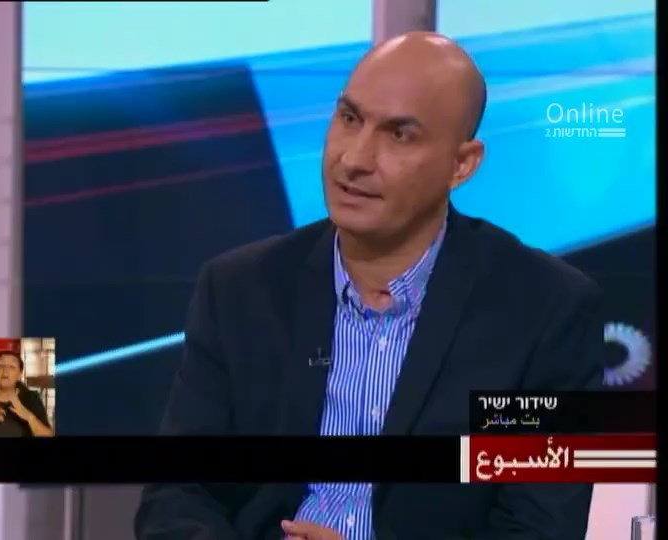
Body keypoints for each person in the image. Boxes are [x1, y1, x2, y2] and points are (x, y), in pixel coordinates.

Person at [135, 32, 604, 540]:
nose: (354, 159)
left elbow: (539, 529)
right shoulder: (240, 290)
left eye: (400, 134)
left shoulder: (543, 312)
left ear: (462, 164)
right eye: (349, 118)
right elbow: (178, 495)